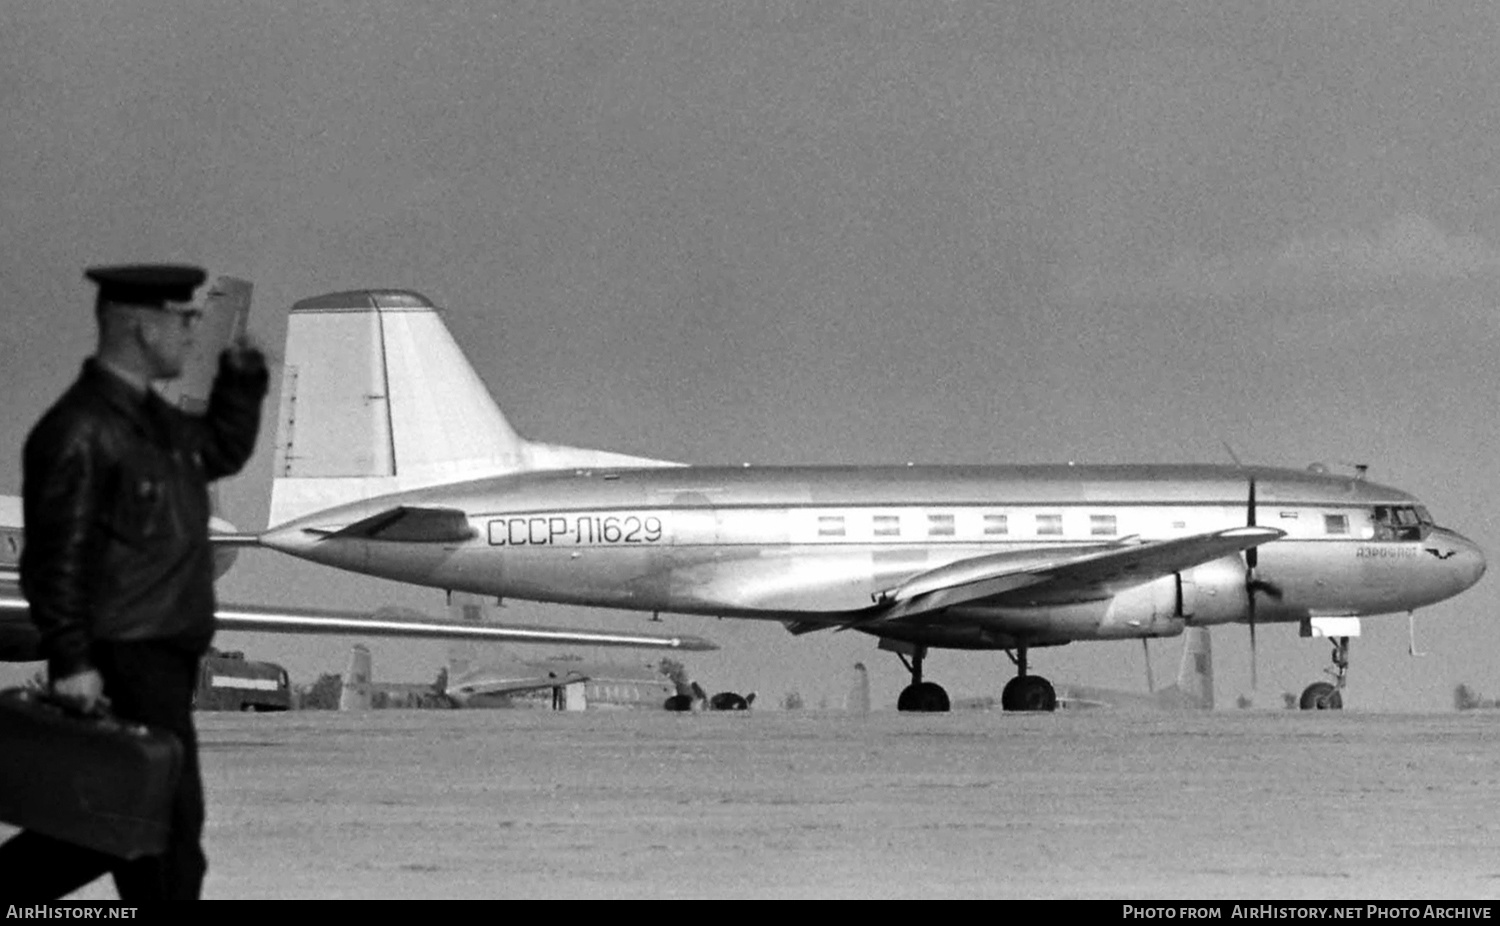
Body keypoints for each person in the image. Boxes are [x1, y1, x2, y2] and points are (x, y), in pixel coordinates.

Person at [0, 264, 268, 900]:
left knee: (131, 833)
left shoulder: (158, 425)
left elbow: (221, 452)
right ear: (140, 328)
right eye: (183, 321)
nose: (192, 331)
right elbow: (53, 560)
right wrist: (72, 660)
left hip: (160, 659)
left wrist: (242, 379)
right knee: (150, 835)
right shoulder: (80, 430)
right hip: (124, 659)